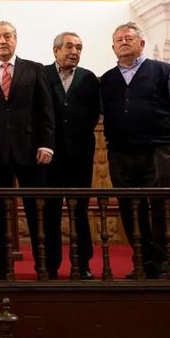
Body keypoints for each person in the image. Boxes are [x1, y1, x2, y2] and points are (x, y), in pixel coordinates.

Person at [100, 22, 170, 279]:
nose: (123, 42)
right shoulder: (106, 79)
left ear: (141, 43)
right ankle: (143, 259)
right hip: (120, 151)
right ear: (113, 47)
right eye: (118, 40)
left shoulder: (163, 70)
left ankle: (165, 261)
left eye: (129, 38)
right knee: (130, 207)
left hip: (157, 149)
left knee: (162, 203)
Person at [0, 21, 56, 280]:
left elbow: (46, 109)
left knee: (36, 211)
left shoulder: (35, 69)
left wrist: (47, 144)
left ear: (16, 40)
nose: (2, 41)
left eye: (7, 36)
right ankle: (1, 268)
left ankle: (45, 266)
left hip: (31, 151)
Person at [43, 32, 100, 280]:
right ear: (56, 50)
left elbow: (95, 112)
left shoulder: (88, 78)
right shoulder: (42, 75)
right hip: (49, 157)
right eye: (69, 47)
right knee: (50, 211)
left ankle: (82, 264)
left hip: (80, 155)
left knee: (80, 210)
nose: (74, 51)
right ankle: (50, 265)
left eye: (79, 47)